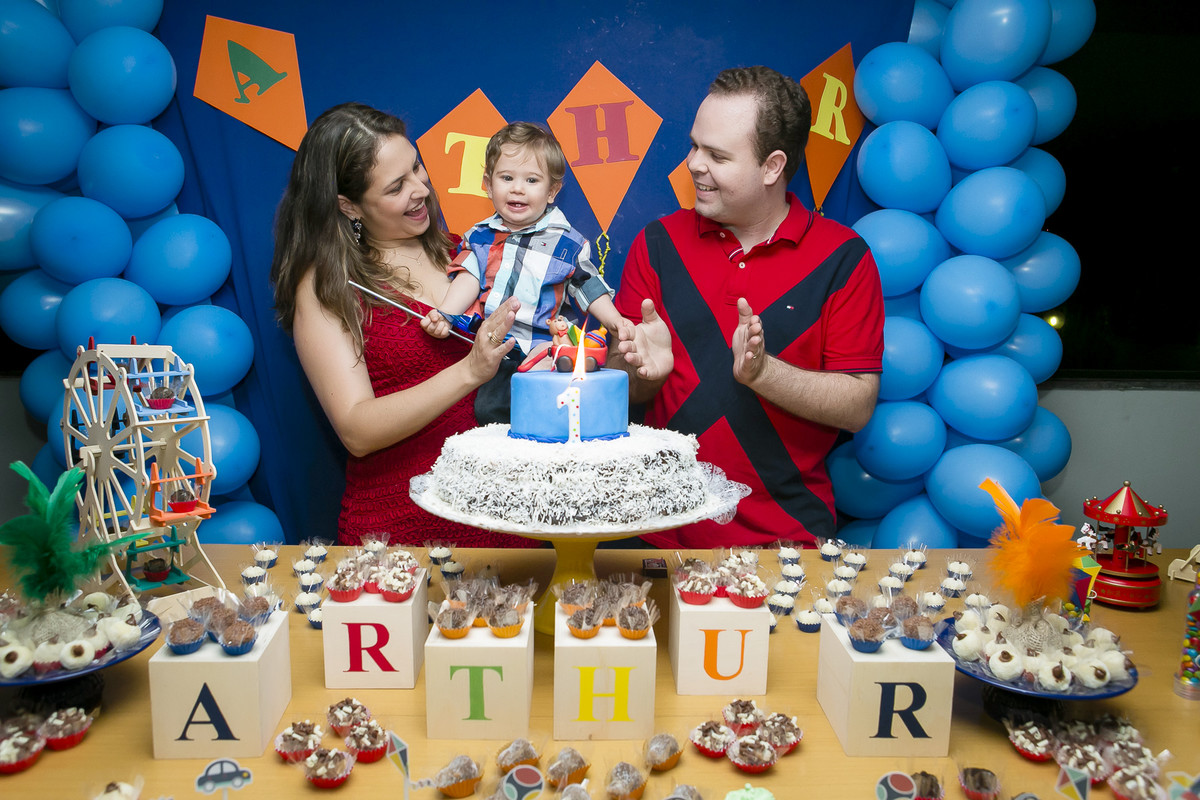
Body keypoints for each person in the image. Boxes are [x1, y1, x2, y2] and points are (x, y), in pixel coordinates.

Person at [613, 66, 885, 549]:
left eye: (716, 155)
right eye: (695, 146)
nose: (694, 164)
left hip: (785, 544)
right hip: (652, 536)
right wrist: (639, 374)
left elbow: (857, 406)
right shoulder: (658, 243)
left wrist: (764, 374)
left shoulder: (843, 259)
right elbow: (618, 393)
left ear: (772, 167)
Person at [270, 102, 539, 548]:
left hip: (508, 521)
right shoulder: (330, 287)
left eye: (417, 167)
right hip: (404, 532)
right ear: (348, 206)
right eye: (396, 186)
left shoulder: (466, 252)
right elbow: (356, 430)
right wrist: (469, 371)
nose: (421, 190)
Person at [424, 122, 629, 418]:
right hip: (495, 350)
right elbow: (467, 275)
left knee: (546, 413)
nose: (517, 188)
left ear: (552, 191)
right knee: (487, 411)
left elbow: (589, 285)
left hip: (545, 352)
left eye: (532, 180)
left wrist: (615, 321)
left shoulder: (566, 242)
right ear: (487, 183)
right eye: (506, 177)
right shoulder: (480, 236)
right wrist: (445, 313)